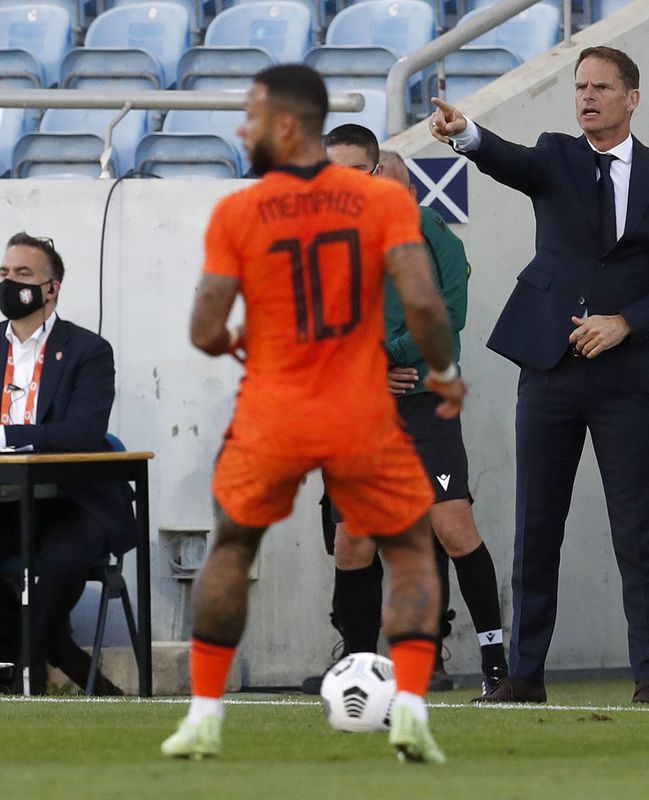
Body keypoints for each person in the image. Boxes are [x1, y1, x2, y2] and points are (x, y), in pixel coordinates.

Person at [160, 65, 464, 764]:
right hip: (362, 409)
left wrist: (235, 340)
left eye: (254, 115)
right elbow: (422, 304)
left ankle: (204, 714)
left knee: (232, 547)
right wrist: (443, 374)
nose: (244, 128)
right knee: (412, 551)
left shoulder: (240, 211)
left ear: (288, 124)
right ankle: (412, 708)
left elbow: (205, 327)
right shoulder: (381, 203)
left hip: (272, 412)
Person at [428, 45, 649, 704]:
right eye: (580, 87)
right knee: (536, 525)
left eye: (602, 88)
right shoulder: (554, 155)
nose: (587, 97)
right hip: (548, 370)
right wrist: (464, 132)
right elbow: (507, 160)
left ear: (631, 98)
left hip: (625, 374)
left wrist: (625, 323)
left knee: (636, 528)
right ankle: (524, 676)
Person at [309, 124, 507, 698]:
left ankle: (496, 667)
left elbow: (447, 315)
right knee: (354, 542)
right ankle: (362, 669)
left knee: (453, 526)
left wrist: (386, 353)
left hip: (425, 406)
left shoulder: (429, 233)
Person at [0, 232, 132, 696]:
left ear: (51, 288)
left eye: (22, 274)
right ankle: (58, 652)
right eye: (3, 273)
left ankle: (24, 671)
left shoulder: (88, 351)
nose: (9, 282)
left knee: (60, 562)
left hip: (74, 500)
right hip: (7, 501)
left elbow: (83, 431)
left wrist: (6, 436)